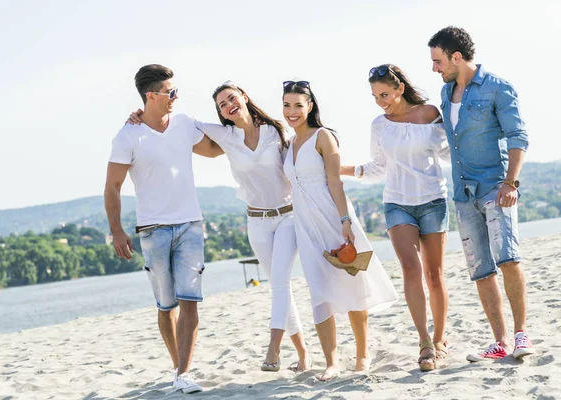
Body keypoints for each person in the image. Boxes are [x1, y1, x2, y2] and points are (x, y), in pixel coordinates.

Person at [127, 81, 310, 373]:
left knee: (279, 283)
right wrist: (141, 114)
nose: (228, 106)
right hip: (257, 221)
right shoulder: (225, 135)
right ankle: (302, 353)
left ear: (245, 97)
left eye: (231, 98)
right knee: (279, 286)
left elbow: (300, 170)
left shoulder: (276, 131)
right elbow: (180, 121)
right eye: (222, 105)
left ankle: (273, 350)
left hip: (288, 216)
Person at [105, 64, 223, 394]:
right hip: (153, 230)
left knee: (190, 299)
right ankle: (178, 368)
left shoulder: (184, 124)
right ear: (150, 96)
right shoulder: (127, 135)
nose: (175, 97)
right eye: (170, 93)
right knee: (166, 305)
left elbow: (213, 150)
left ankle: (184, 371)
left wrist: (243, 130)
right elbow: (112, 186)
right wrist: (116, 230)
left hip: (190, 225)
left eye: (175, 91)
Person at [428, 26, 534, 361]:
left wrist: (511, 183)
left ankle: (521, 336)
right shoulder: (447, 94)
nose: (435, 68)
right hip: (463, 194)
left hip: (494, 188)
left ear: (456, 57)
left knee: (508, 259)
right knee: (481, 270)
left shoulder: (497, 88)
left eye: (438, 61)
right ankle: (500, 341)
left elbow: (518, 137)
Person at [282, 80, 398, 380]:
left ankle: (362, 354)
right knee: (319, 292)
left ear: (310, 106)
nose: (292, 111)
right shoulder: (288, 144)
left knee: (352, 284)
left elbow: (335, 181)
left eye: (298, 105)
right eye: (286, 105)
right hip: (305, 225)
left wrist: (345, 220)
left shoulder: (323, 137)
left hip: (334, 219)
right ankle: (331, 361)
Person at [341, 64, 450, 371]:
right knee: (411, 269)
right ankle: (424, 342)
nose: (380, 102)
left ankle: (440, 340)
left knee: (434, 274)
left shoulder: (430, 115)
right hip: (397, 203)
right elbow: (378, 167)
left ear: (400, 87)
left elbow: (449, 153)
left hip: (433, 201)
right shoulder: (380, 125)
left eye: (385, 94)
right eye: (375, 96)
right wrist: (338, 168)